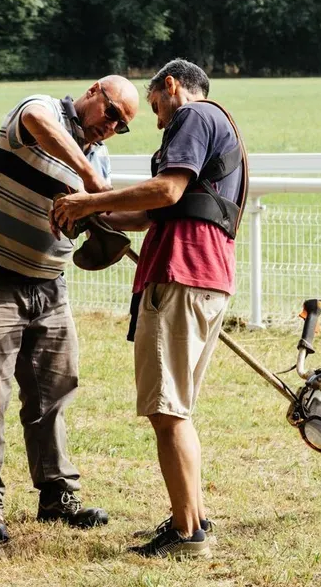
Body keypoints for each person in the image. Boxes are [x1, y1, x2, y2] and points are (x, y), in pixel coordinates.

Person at [53, 59, 248, 559]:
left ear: (171, 85)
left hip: (180, 276)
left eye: (155, 106)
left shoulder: (194, 116)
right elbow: (156, 211)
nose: (157, 119)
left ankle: (187, 535)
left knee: (167, 413)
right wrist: (95, 211)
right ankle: (193, 517)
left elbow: (167, 190)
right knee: (177, 411)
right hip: (204, 277)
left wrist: (90, 202)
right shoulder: (216, 125)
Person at [0, 76, 139, 544]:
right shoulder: (41, 111)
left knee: (54, 391)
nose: (111, 128)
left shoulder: (101, 155)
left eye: (122, 126)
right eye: (111, 113)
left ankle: (57, 496)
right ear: (94, 91)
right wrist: (92, 182)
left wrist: (158, 207)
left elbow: (107, 215)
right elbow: (37, 124)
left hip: (49, 282)